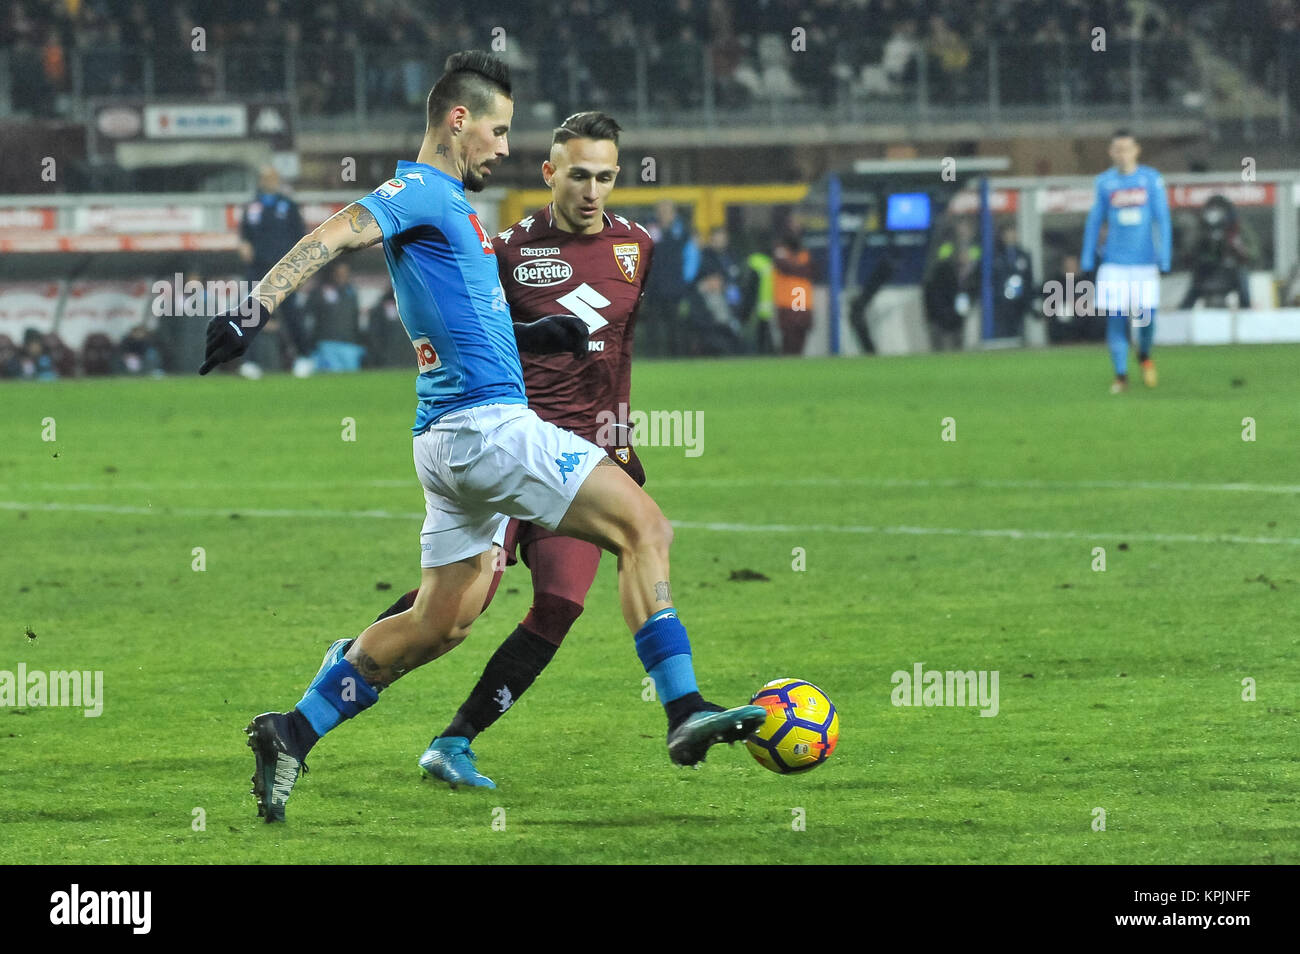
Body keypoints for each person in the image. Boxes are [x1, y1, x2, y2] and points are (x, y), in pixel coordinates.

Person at [198, 52, 763, 823]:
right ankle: (684, 709)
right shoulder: (419, 190)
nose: (504, 148)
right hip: (488, 430)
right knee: (644, 526)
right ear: (458, 121)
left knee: (441, 624)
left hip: (444, 441)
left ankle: (291, 730)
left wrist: (540, 329)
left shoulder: (457, 210)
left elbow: (461, 311)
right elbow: (338, 231)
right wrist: (252, 309)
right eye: (497, 131)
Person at [332, 110, 662, 789]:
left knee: (562, 603)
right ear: (549, 173)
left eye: (605, 177)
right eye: (579, 175)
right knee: (463, 603)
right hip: (511, 447)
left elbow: (618, 353)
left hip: (586, 455)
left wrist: (618, 436)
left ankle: (454, 741)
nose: (592, 190)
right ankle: (343, 675)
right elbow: (459, 323)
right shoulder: (503, 248)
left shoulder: (638, 249)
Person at [1081, 129, 1171, 393]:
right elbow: (1095, 220)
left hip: (1144, 263)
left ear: (1136, 150)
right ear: (1111, 153)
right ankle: (1121, 375)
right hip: (1114, 264)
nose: (1122, 154)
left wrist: (1164, 256)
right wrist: (1088, 255)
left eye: (1127, 148)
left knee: (1146, 319)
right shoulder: (1104, 183)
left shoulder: (1151, 179)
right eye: (1117, 149)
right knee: (1117, 318)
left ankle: (1144, 354)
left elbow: (1162, 219)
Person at [238, 164, 307, 374]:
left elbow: (301, 237)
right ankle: (249, 362)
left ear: (278, 180)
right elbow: (244, 236)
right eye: (266, 178)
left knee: (292, 313)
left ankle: (303, 358)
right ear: (261, 181)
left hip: (284, 270)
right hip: (257, 268)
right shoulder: (252, 207)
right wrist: (244, 245)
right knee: (251, 314)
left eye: (273, 178)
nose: (269, 182)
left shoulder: (288, 206)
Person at [773, 214, 815, 356]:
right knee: (789, 336)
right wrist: (799, 268)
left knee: (800, 333)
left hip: (800, 297)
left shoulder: (804, 251)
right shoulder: (780, 249)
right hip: (787, 299)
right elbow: (786, 266)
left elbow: (811, 270)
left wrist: (797, 267)